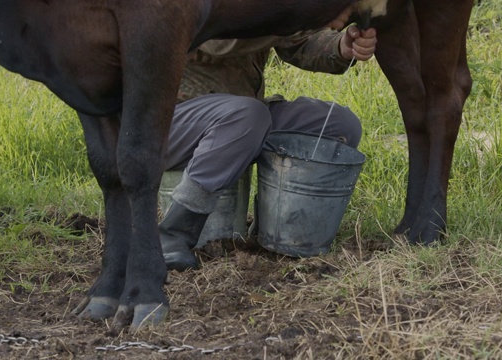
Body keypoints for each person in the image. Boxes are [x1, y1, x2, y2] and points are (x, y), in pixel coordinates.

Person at [160, 24, 378, 272]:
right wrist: (281, 12)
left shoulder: (268, 13)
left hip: (242, 119)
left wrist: (341, 46)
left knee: (339, 125)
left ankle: (275, 226)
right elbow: (218, 41)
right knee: (248, 115)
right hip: (171, 122)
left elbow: (298, 40)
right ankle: (172, 234)